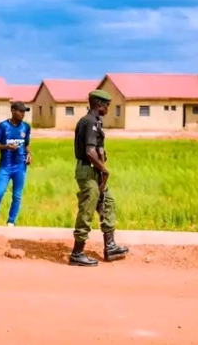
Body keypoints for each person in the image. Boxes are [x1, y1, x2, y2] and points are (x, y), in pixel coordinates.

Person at [69, 90, 128, 267]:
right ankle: (77, 253)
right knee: (87, 210)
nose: (108, 108)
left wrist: (101, 169)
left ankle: (110, 247)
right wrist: (104, 170)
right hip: (87, 172)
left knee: (107, 203)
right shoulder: (89, 122)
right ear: (99, 104)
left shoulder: (96, 122)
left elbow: (99, 149)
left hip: (95, 171)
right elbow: (90, 151)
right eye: (107, 105)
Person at [0, 101, 32, 227]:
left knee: (17, 195)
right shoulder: (3, 126)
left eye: (24, 112)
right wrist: (6, 147)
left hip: (20, 166)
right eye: (20, 111)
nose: (22, 114)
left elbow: (26, 144)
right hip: (5, 165)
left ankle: (11, 221)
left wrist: (29, 154)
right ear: (13, 110)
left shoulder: (26, 127)